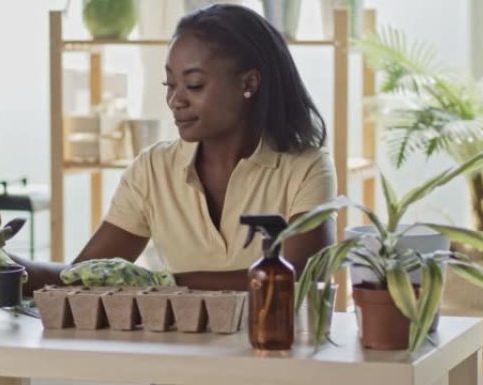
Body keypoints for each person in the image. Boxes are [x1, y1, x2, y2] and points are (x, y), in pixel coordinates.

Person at [17, 4, 336, 295]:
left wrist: (163, 283)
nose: (175, 100)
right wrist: (13, 271)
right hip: (180, 355)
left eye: (194, 85)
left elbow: (300, 276)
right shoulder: (152, 169)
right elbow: (82, 277)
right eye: (170, 85)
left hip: (276, 351)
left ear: (248, 84)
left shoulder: (307, 167)